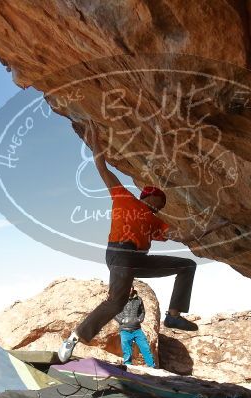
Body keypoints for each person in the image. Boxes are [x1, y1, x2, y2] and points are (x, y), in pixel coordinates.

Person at [59, 122, 225, 362]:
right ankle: (74, 338)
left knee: (187, 266)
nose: (161, 204)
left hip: (139, 259)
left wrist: (215, 227)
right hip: (121, 254)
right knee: (116, 302)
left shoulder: (157, 222)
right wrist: (95, 141)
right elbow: (101, 166)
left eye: (162, 203)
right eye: (158, 199)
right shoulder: (124, 197)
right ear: (148, 196)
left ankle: (174, 315)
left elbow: (184, 236)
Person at [114, 286, 156, 367]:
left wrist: (139, 319)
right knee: (127, 350)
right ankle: (128, 366)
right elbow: (114, 312)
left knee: (145, 347)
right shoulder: (119, 299)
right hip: (125, 329)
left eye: (131, 288)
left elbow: (142, 312)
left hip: (137, 329)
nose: (130, 289)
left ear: (133, 288)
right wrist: (121, 320)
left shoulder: (138, 299)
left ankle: (152, 366)